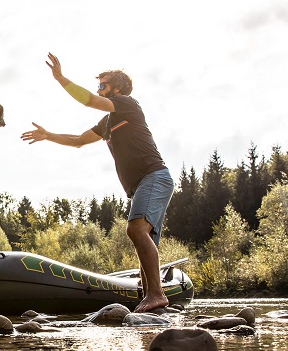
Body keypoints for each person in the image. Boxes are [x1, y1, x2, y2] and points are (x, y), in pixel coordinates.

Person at [21, 53, 174, 313]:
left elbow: (90, 101)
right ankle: (150, 298)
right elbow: (79, 140)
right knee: (143, 237)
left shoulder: (128, 104)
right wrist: (48, 135)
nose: (98, 89)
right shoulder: (107, 123)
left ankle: (156, 295)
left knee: (136, 230)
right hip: (142, 185)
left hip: (154, 176)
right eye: (99, 85)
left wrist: (60, 79)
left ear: (118, 88)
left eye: (103, 85)